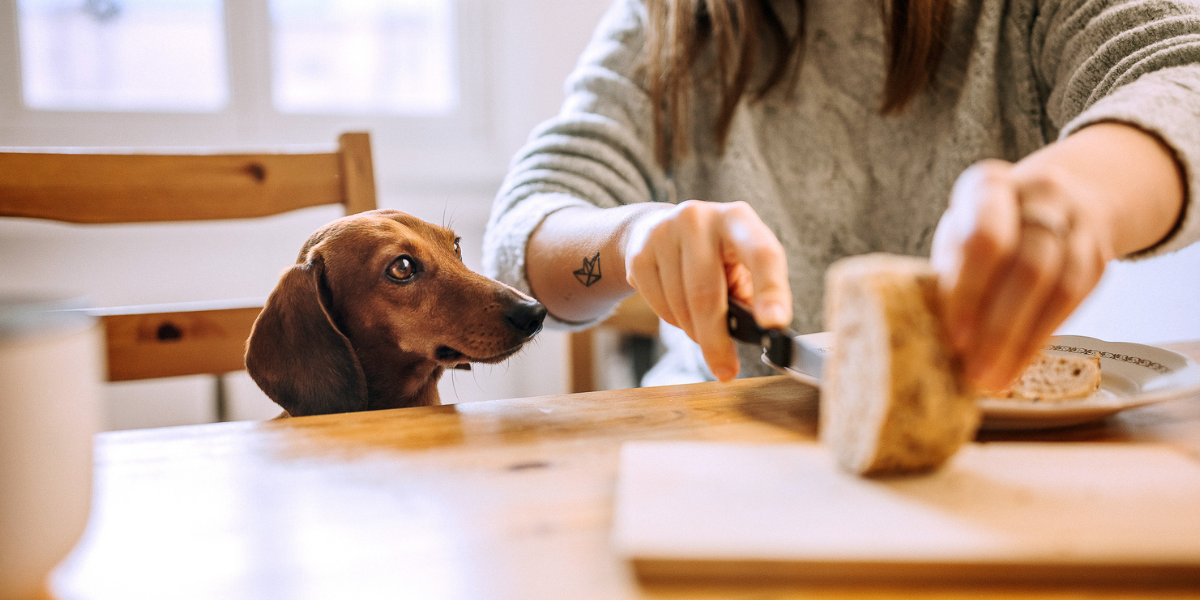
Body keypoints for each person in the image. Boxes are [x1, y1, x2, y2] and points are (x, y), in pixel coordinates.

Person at [483, 0, 1198, 392]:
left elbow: (1178, 72)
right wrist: (632, 238)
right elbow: (522, 242)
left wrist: (1081, 195)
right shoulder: (667, 21)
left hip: (984, 424)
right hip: (723, 425)